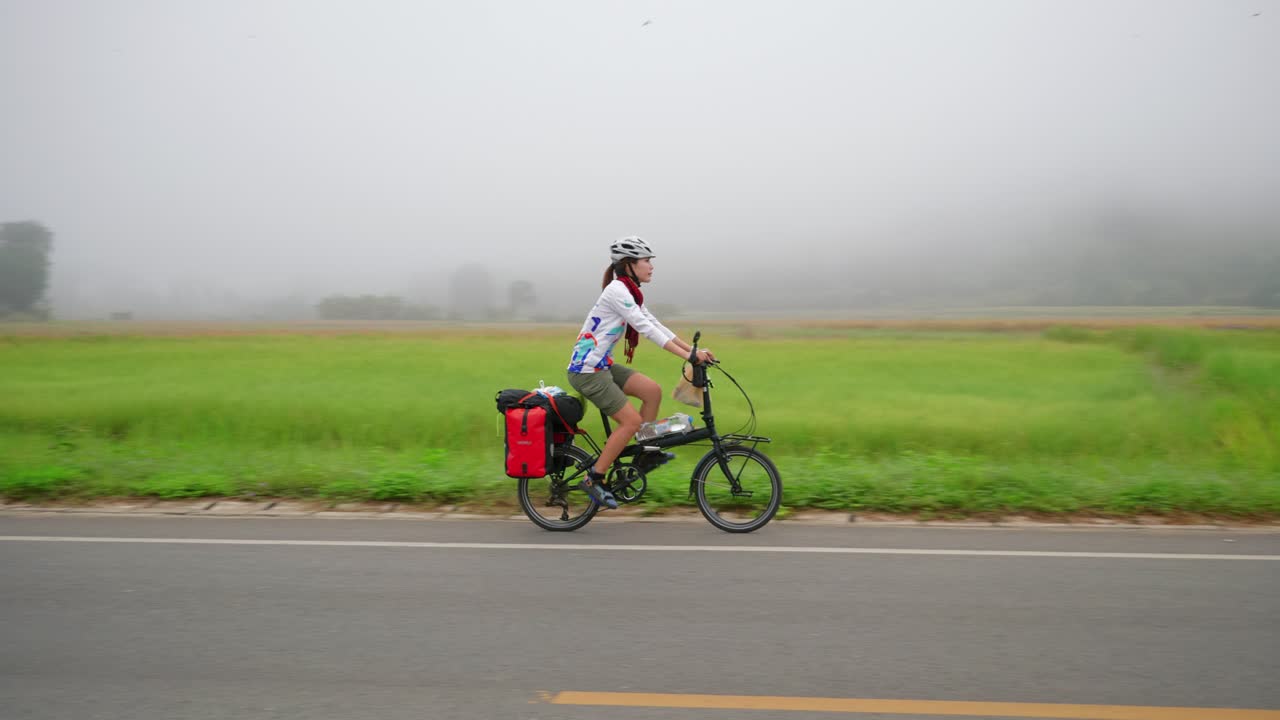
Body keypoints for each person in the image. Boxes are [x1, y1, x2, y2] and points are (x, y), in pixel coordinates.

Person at [566, 236, 715, 509]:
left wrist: (693, 352)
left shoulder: (631, 291)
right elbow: (646, 330)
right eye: (646, 260)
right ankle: (594, 478)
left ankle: (643, 455)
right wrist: (687, 356)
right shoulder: (616, 292)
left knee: (652, 391)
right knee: (631, 422)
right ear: (629, 264)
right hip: (586, 371)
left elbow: (655, 323)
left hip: (603, 366)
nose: (651, 266)